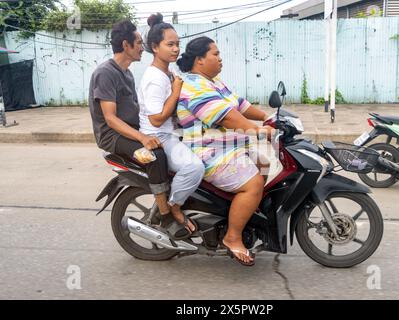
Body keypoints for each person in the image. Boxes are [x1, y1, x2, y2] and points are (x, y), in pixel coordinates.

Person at [176, 36, 273, 266]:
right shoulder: (194, 85)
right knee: (254, 184)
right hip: (207, 151)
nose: (220, 59)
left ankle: (242, 215)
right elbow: (227, 116)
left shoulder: (213, 81)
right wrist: (258, 131)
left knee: (265, 163)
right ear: (199, 60)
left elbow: (238, 104)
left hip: (226, 146)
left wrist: (267, 117)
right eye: (215, 54)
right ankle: (232, 237)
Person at [88, 20, 171, 224]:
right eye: (139, 43)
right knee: (153, 157)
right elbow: (110, 118)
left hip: (130, 130)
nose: (142, 47)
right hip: (112, 136)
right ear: (126, 45)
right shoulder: (105, 73)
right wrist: (142, 137)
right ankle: (166, 215)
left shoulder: (127, 73)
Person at [138, 13, 204, 239]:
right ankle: (173, 207)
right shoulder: (154, 77)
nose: (176, 49)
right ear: (155, 47)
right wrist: (176, 90)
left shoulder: (169, 71)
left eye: (177, 44)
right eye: (170, 44)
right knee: (194, 167)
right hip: (159, 136)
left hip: (173, 133)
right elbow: (156, 118)